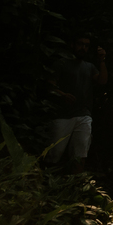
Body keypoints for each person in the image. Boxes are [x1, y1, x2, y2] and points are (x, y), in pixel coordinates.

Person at [46, 32, 107, 173]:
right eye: (80, 44)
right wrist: (62, 95)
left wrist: (102, 60)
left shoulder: (89, 66)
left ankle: (77, 187)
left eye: (86, 46)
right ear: (72, 45)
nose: (83, 48)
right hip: (62, 115)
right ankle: (46, 185)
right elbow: (50, 86)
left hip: (84, 114)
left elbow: (102, 81)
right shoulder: (61, 63)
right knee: (53, 153)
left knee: (80, 154)